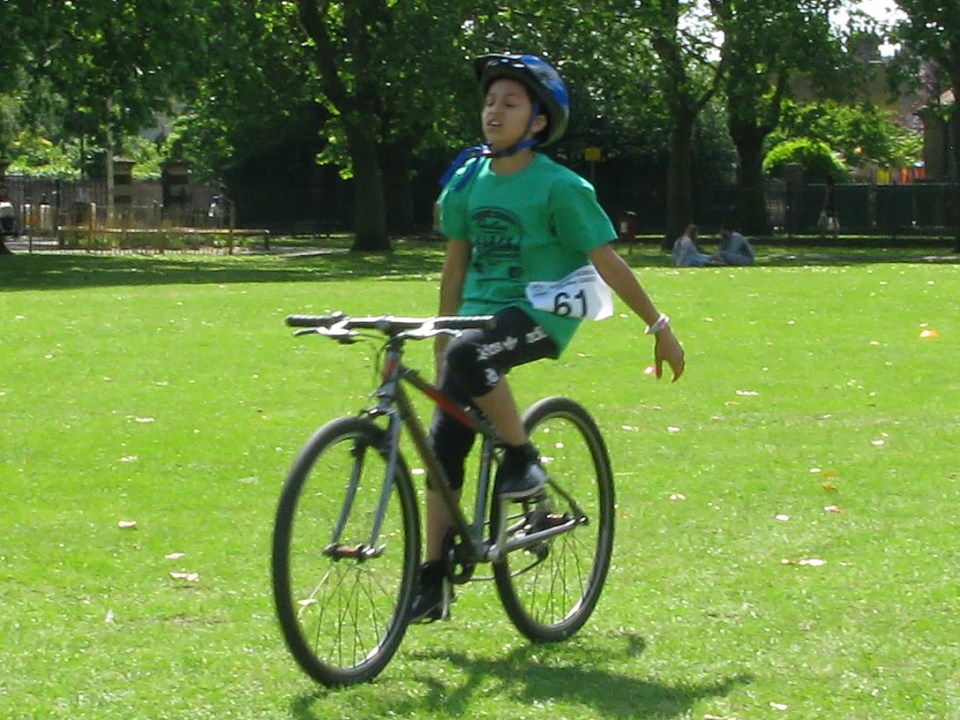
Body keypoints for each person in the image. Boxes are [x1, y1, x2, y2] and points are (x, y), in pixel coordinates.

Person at [410, 53, 685, 622]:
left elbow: (606, 261)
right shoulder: (467, 180)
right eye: (490, 101)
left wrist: (659, 326)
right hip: (474, 321)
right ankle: (432, 577)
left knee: (471, 353)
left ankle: (523, 458)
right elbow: (455, 265)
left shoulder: (560, 187)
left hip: (540, 310)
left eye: (510, 103)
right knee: (442, 447)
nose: (494, 111)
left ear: (537, 121)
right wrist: (440, 333)